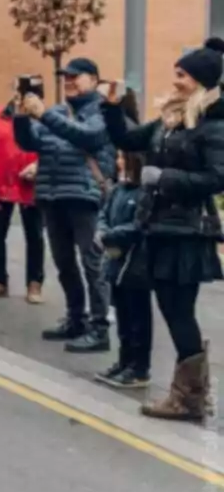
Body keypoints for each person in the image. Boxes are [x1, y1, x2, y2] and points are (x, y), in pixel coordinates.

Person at [101, 42, 224, 421]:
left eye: (181, 75)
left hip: (186, 232)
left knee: (178, 312)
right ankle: (192, 395)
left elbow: (218, 177)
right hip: (160, 227)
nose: (174, 81)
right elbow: (128, 140)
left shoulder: (213, 125)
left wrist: (164, 177)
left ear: (200, 81)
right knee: (174, 311)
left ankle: (189, 397)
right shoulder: (171, 121)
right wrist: (112, 108)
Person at [13, 57, 115, 352]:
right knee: (64, 263)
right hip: (51, 195)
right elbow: (31, 144)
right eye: (65, 77)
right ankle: (75, 318)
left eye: (76, 76)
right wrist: (21, 116)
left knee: (92, 263)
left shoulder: (103, 111)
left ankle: (100, 328)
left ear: (94, 80)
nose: (68, 81)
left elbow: (89, 136)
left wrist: (43, 115)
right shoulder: (56, 111)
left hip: (85, 196)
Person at [0, 86, 45, 303]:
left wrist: (39, 166)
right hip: (0, 185)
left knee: (34, 237)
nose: (20, 95)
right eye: (18, 90)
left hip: (31, 186)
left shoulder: (44, 119)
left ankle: (34, 284)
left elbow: (54, 147)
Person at [94, 150, 149, 390]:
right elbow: (103, 215)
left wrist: (110, 235)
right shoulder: (117, 190)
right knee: (123, 315)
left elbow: (139, 225)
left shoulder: (144, 192)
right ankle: (124, 360)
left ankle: (139, 367)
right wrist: (104, 232)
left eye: (122, 157)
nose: (117, 162)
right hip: (115, 261)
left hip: (135, 262)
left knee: (137, 316)